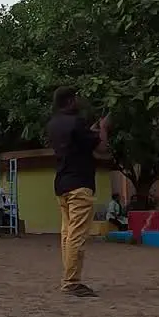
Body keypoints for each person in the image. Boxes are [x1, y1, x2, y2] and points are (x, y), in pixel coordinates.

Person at [46, 86, 109, 298]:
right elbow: (101, 148)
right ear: (71, 100)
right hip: (79, 184)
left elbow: (78, 142)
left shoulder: (54, 123)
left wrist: (91, 132)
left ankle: (69, 278)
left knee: (67, 235)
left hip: (62, 183)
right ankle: (71, 282)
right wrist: (103, 128)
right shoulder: (76, 122)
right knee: (77, 236)